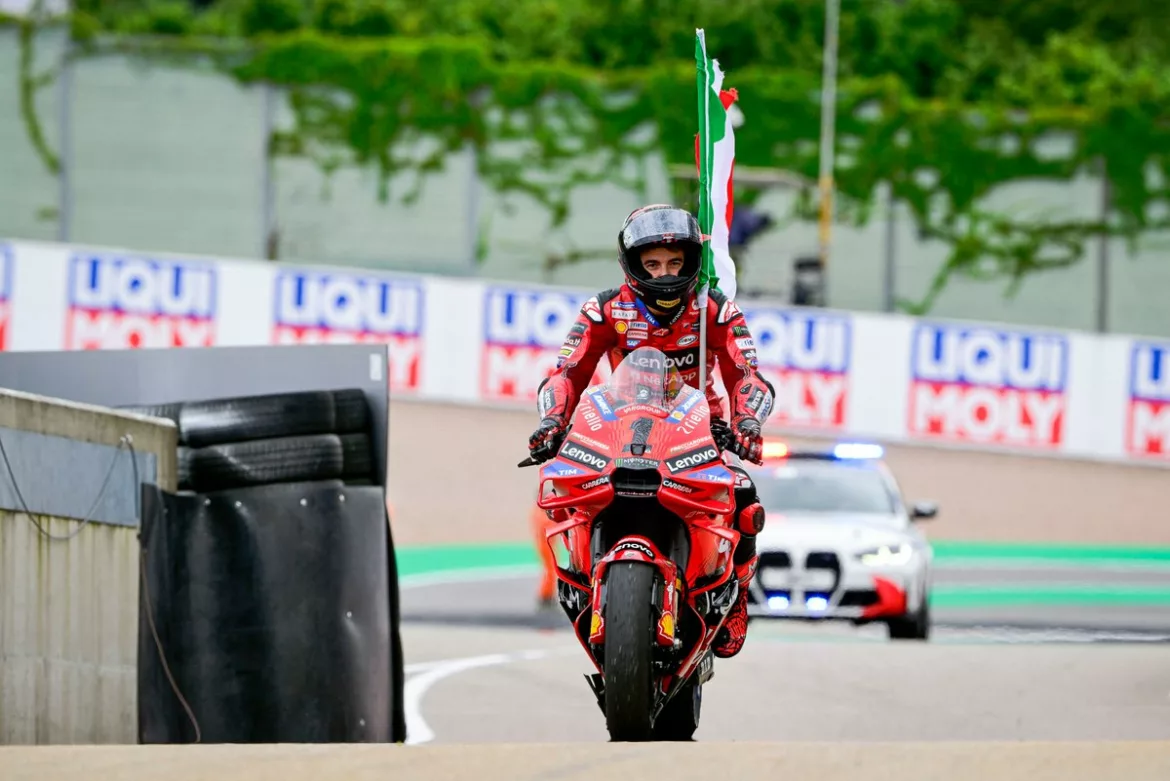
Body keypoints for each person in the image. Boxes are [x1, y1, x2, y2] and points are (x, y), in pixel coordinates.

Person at [526, 203, 776, 659]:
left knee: (743, 493)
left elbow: (748, 374)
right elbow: (567, 371)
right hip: (619, 429)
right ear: (633, 264)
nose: (664, 274)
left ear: (692, 262)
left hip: (701, 432)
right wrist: (551, 422)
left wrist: (746, 423)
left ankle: (735, 595)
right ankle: (581, 580)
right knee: (562, 487)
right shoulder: (603, 308)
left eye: (675, 263)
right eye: (653, 264)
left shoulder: (714, 309)